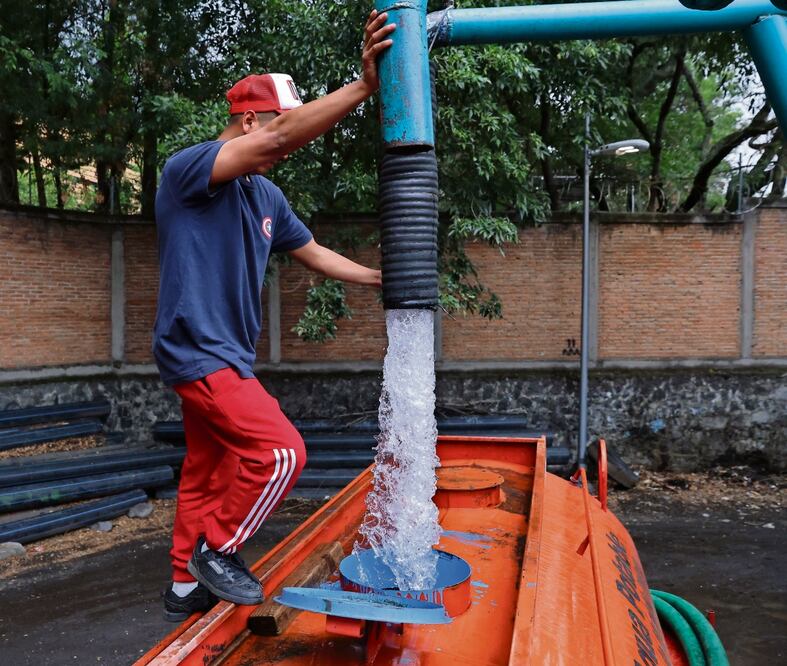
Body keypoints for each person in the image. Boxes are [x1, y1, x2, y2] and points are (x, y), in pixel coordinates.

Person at [153, 10, 395, 621]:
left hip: (226, 353)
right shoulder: (191, 170)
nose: (284, 141)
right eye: (279, 123)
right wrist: (365, 87)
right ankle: (221, 551)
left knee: (208, 470)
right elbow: (283, 139)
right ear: (250, 120)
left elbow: (309, 251)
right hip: (197, 348)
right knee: (281, 452)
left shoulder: (267, 197)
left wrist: (374, 278)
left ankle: (184, 586)